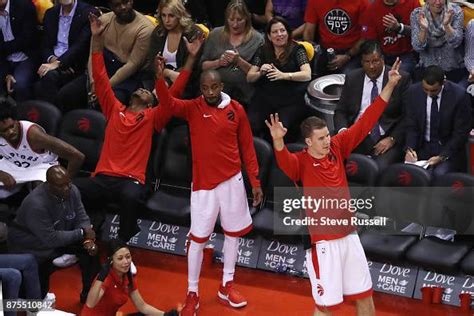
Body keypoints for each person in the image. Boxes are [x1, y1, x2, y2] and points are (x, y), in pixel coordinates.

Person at [265, 59, 403, 315]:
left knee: (365, 298)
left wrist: (390, 85)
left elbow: (366, 121)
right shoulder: (300, 163)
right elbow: (283, 160)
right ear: (308, 142)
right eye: (321, 139)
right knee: (326, 307)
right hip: (323, 243)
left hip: (349, 235)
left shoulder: (338, 146)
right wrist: (277, 141)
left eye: (327, 135)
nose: (327, 140)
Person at [73, 13, 203, 244]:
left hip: (130, 180)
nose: (145, 90)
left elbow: (175, 92)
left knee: (130, 196)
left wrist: (190, 60)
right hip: (103, 177)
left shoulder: (153, 117)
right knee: (70, 189)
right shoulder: (114, 109)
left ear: (152, 103)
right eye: (143, 89)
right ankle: (85, 232)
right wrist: (96, 39)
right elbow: (101, 76)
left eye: (149, 92)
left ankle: (122, 242)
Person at [155, 54, 263, 316]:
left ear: (221, 86)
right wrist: (159, 79)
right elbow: (168, 104)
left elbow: (248, 146)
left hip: (233, 182)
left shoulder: (236, 109)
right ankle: (192, 292)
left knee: (233, 235)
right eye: (205, 88)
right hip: (203, 185)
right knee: (198, 239)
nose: (210, 92)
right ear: (201, 88)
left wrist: (255, 181)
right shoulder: (193, 107)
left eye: (214, 87)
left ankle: (227, 285)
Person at [7, 165, 100, 301]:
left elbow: (81, 216)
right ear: (48, 185)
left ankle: (89, 296)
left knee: (91, 252)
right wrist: (82, 232)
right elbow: (50, 239)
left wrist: (88, 240)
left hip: (58, 234)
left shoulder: (72, 190)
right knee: (34, 298)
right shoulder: (36, 204)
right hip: (31, 245)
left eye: (68, 183)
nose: (67, 188)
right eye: (61, 186)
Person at [57, 0, 155, 111]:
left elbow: (133, 65)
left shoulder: (145, 28)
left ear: (132, 1)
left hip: (126, 78)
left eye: (126, 2)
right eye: (117, 5)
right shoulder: (104, 20)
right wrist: (93, 80)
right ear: (111, 6)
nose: (123, 7)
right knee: (66, 95)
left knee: (105, 104)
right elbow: (93, 53)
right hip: (101, 70)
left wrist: (104, 87)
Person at [334, 40, 411, 170]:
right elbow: (341, 111)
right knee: (333, 159)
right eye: (367, 62)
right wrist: (344, 132)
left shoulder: (400, 79)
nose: (371, 66)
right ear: (361, 62)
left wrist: (392, 139)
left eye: (375, 61)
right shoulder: (353, 77)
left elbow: (408, 116)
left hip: (385, 137)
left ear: (382, 59)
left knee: (377, 169)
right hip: (356, 134)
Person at [0, 97, 84, 200]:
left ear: (17, 122)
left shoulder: (33, 135)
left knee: (42, 195)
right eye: (4, 130)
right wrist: (1, 174)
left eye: (12, 126)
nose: (10, 132)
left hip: (40, 167)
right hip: (14, 165)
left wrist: (66, 184)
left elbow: (77, 156)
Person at [247, 16, 311, 140]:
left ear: (288, 32)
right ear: (269, 36)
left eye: (282, 30)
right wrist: (260, 72)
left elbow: (307, 74)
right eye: (275, 32)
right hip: (265, 98)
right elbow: (250, 77)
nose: (279, 34)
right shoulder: (262, 50)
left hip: (289, 100)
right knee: (252, 123)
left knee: (281, 129)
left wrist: (284, 75)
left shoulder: (297, 49)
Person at [404, 65, 472, 176]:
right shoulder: (413, 92)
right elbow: (412, 125)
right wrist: (410, 149)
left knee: (438, 175)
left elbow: (460, 133)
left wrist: (442, 156)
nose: (429, 94)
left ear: (443, 83)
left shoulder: (459, 96)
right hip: (423, 146)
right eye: (425, 89)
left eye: (434, 90)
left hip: (447, 148)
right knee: (409, 173)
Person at [82, 240, 179, 316]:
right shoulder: (105, 279)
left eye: (128, 257)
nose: (126, 262)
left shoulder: (128, 278)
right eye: (120, 258)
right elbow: (90, 303)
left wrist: (165, 314)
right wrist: (100, 277)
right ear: (111, 261)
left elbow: (142, 306)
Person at [200, 0, 263, 106]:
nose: (235, 24)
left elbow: (258, 74)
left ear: (247, 19)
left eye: (239, 20)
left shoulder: (257, 39)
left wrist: (239, 61)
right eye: (231, 19)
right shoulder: (215, 34)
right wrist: (218, 62)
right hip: (215, 93)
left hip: (244, 95)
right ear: (226, 19)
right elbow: (203, 66)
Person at [34, 0, 97, 106]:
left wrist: (60, 63)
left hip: (76, 65)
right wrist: (53, 60)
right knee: (42, 79)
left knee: (50, 79)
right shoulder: (50, 13)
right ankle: (49, 117)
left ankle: (52, 119)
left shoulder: (88, 12)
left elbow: (81, 45)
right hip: (53, 62)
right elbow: (44, 45)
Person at [145, 0, 202, 89]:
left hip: (187, 84)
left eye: (171, 16)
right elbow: (151, 63)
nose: (167, 20)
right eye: (164, 15)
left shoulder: (193, 33)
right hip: (159, 79)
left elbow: (195, 68)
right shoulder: (158, 32)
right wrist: (167, 73)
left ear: (180, 15)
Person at [303, 0, 368, 76]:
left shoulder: (362, 2)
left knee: (348, 79)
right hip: (324, 49)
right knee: (313, 77)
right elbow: (308, 32)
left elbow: (365, 35)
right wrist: (313, 52)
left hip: (353, 51)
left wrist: (348, 55)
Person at [410, 0, 466, 83]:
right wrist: (424, 29)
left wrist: (447, 26)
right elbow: (417, 47)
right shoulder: (417, 14)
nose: (438, 2)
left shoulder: (455, 11)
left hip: (453, 68)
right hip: (428, 69)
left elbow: (456, 42)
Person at [361, 0, 420, 75]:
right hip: (383, 55)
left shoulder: (412, 3)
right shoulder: (372, 9)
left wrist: (399, 27)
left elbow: (419, 32)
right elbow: (370, 40)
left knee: (400, 75)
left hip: (406, 54)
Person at [0, 0, 39, 102]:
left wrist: (3, 47)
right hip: (4, 59)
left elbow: (28, 39)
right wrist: (6, 74)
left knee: (20, 83)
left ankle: (24, 115)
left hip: (26, 56)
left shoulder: (24, 6)